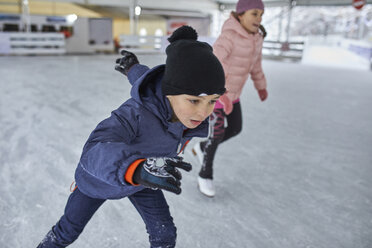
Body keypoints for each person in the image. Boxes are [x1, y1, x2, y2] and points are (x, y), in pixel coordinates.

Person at [37, 26, 225, 248]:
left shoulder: (182, 111)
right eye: (194, 100)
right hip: (98, 179)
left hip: (144, 180)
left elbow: (146, 80)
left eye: (212, 100)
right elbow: (95, 151)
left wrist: (133, 68)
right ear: (169, 92)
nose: (203, 113)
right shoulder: (134, 114)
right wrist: (135, 168)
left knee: (164, 234)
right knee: (67, 231)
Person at [192, 0, 268, 197]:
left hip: (234, 95)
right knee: (216, 135)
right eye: (254, 14)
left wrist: (261, 86)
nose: (258, 19)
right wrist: (221, 92)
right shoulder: (229, 35)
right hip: (216, 93)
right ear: (240, 14)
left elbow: (255, 65)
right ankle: (205, 174)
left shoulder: (256, 38)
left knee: (235, 128)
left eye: (261, 14)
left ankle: (202, 147)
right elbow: (215, 61)